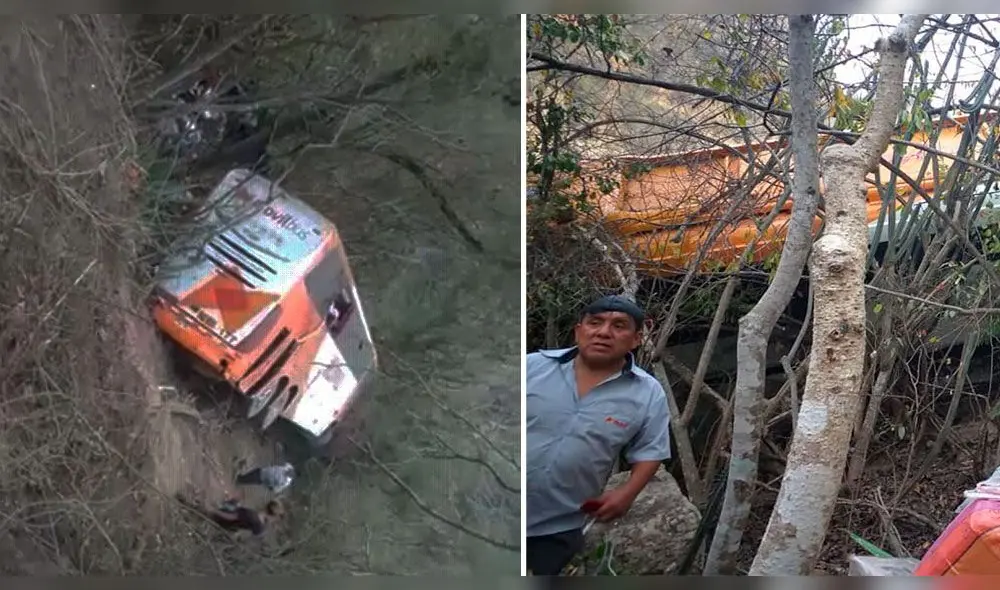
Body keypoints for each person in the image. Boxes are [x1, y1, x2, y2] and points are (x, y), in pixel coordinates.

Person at [526, 294, 672, 575]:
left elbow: (651, 451)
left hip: (558, 527)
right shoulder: (531, 367)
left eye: (619, 326)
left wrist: (627, 494)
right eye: (595, 322)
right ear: (579, 330)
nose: (604, 332)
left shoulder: (647, 393)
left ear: (636, 339)